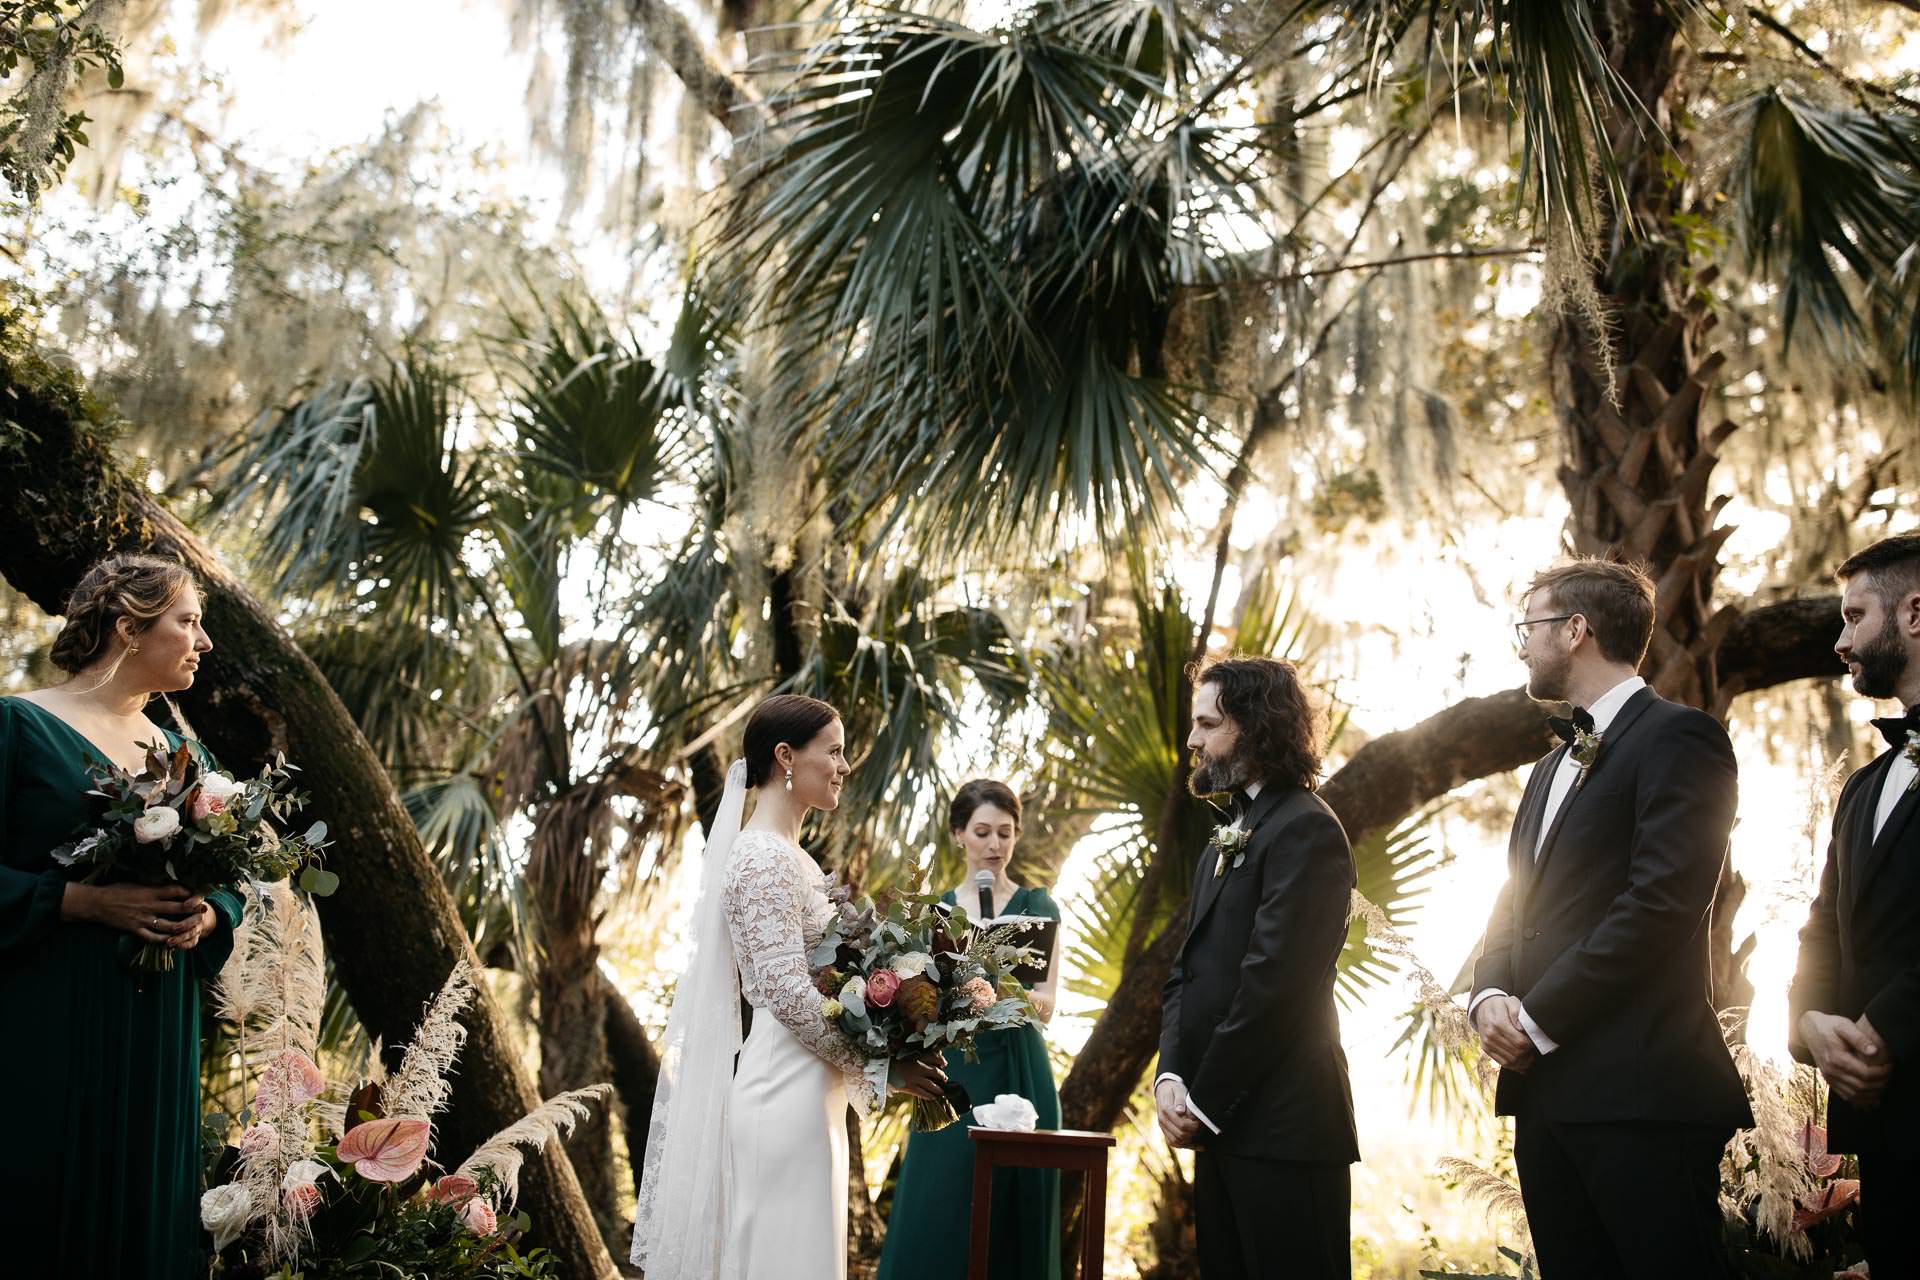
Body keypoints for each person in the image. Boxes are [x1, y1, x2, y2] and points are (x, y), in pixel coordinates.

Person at [1468, 557, 1750, 1279]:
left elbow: (1661, 904)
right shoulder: (1546, 766)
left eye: (1527, 629)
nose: (1522, 646)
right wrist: (1490, 994)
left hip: (1642, 1097)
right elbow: (1514, 897)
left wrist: (1534, 1021)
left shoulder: (1681, 739)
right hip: (1546, 1100)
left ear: (1575, 630)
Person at [632, 693, 947, 1280]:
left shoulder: (795, 860)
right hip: (781, 1090)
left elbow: (826, 981)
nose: (844, 766)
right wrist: (882, 1069)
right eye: (834, 750)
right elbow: (785, 993)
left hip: (811, 1094)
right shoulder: (761, 859)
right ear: (785, 756)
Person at [0, 553, 246, 1278]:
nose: (204, 643)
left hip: (158, 1029)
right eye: (189, 621)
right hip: (47, 1019)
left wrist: (206, 918)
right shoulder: (17, 728)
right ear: (129, 626)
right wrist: (82, 901)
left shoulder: (186, 755)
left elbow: (230, 888)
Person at [1154, 655, 1358, 1280]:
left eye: (1208, 724)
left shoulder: (1306, 831)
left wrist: (1204, 1101)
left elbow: (1274, 986)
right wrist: (1169, 1079)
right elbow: (1184, 973)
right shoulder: (1230, 832)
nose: (1192, 740)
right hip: (1221, 1128)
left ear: (1257, 726)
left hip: (1286, 1133)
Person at [1789, 533, 1920, 1278]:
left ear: (1914, 612)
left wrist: (1886, 1027)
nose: (1840, 641)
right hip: (1886, 1123)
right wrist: (1808, 1020)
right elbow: (1820, 925)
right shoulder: (1865, 785)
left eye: (1853, 615)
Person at [876, 779, 1063, 1280]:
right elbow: (916, 1004)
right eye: (982, 832)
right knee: (942, 1205)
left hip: (1021, 1069)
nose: (994, 845)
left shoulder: (1039, 907)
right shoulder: (935, 911)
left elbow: (1046, 1004)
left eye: (1005, 833)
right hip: (952, 1070)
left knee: (1015, 1212)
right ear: (959, 833)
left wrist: (995, 987)